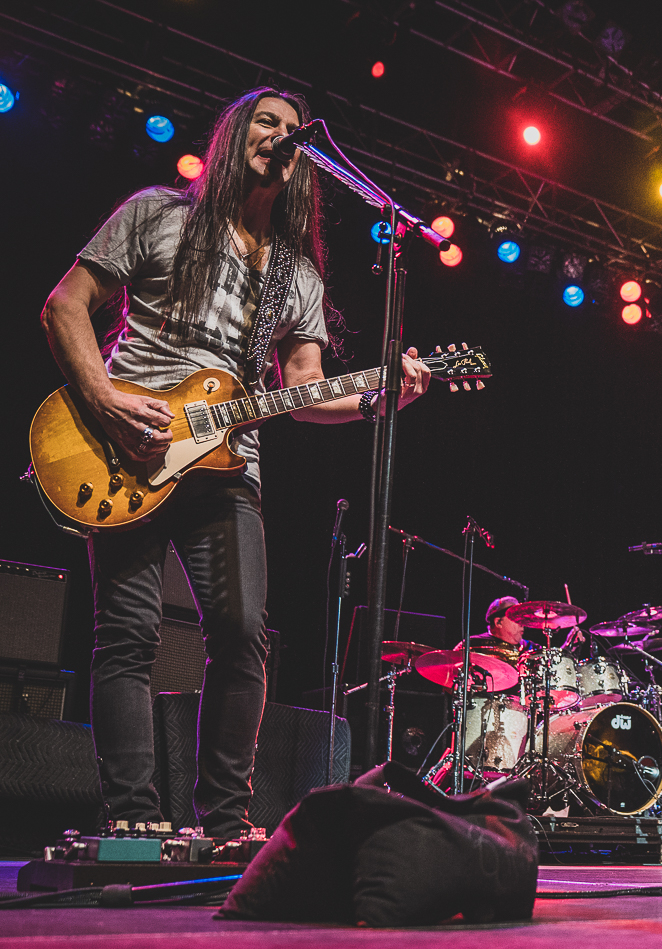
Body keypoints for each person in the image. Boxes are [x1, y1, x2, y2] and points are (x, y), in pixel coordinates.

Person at [40, 87, 433, 838]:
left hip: (230, 466)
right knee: (127, 635)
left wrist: (383, 398)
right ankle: (132, 820)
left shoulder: (298, 276)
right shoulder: (158, 214)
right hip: (128, 446)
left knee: (244, 630)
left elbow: (304, 392)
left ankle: (224, 818)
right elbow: (65, 306)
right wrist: (107, 400)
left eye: (294, 131)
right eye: (267, 122)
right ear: (233, 135)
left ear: (306, 161)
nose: (282, 136)